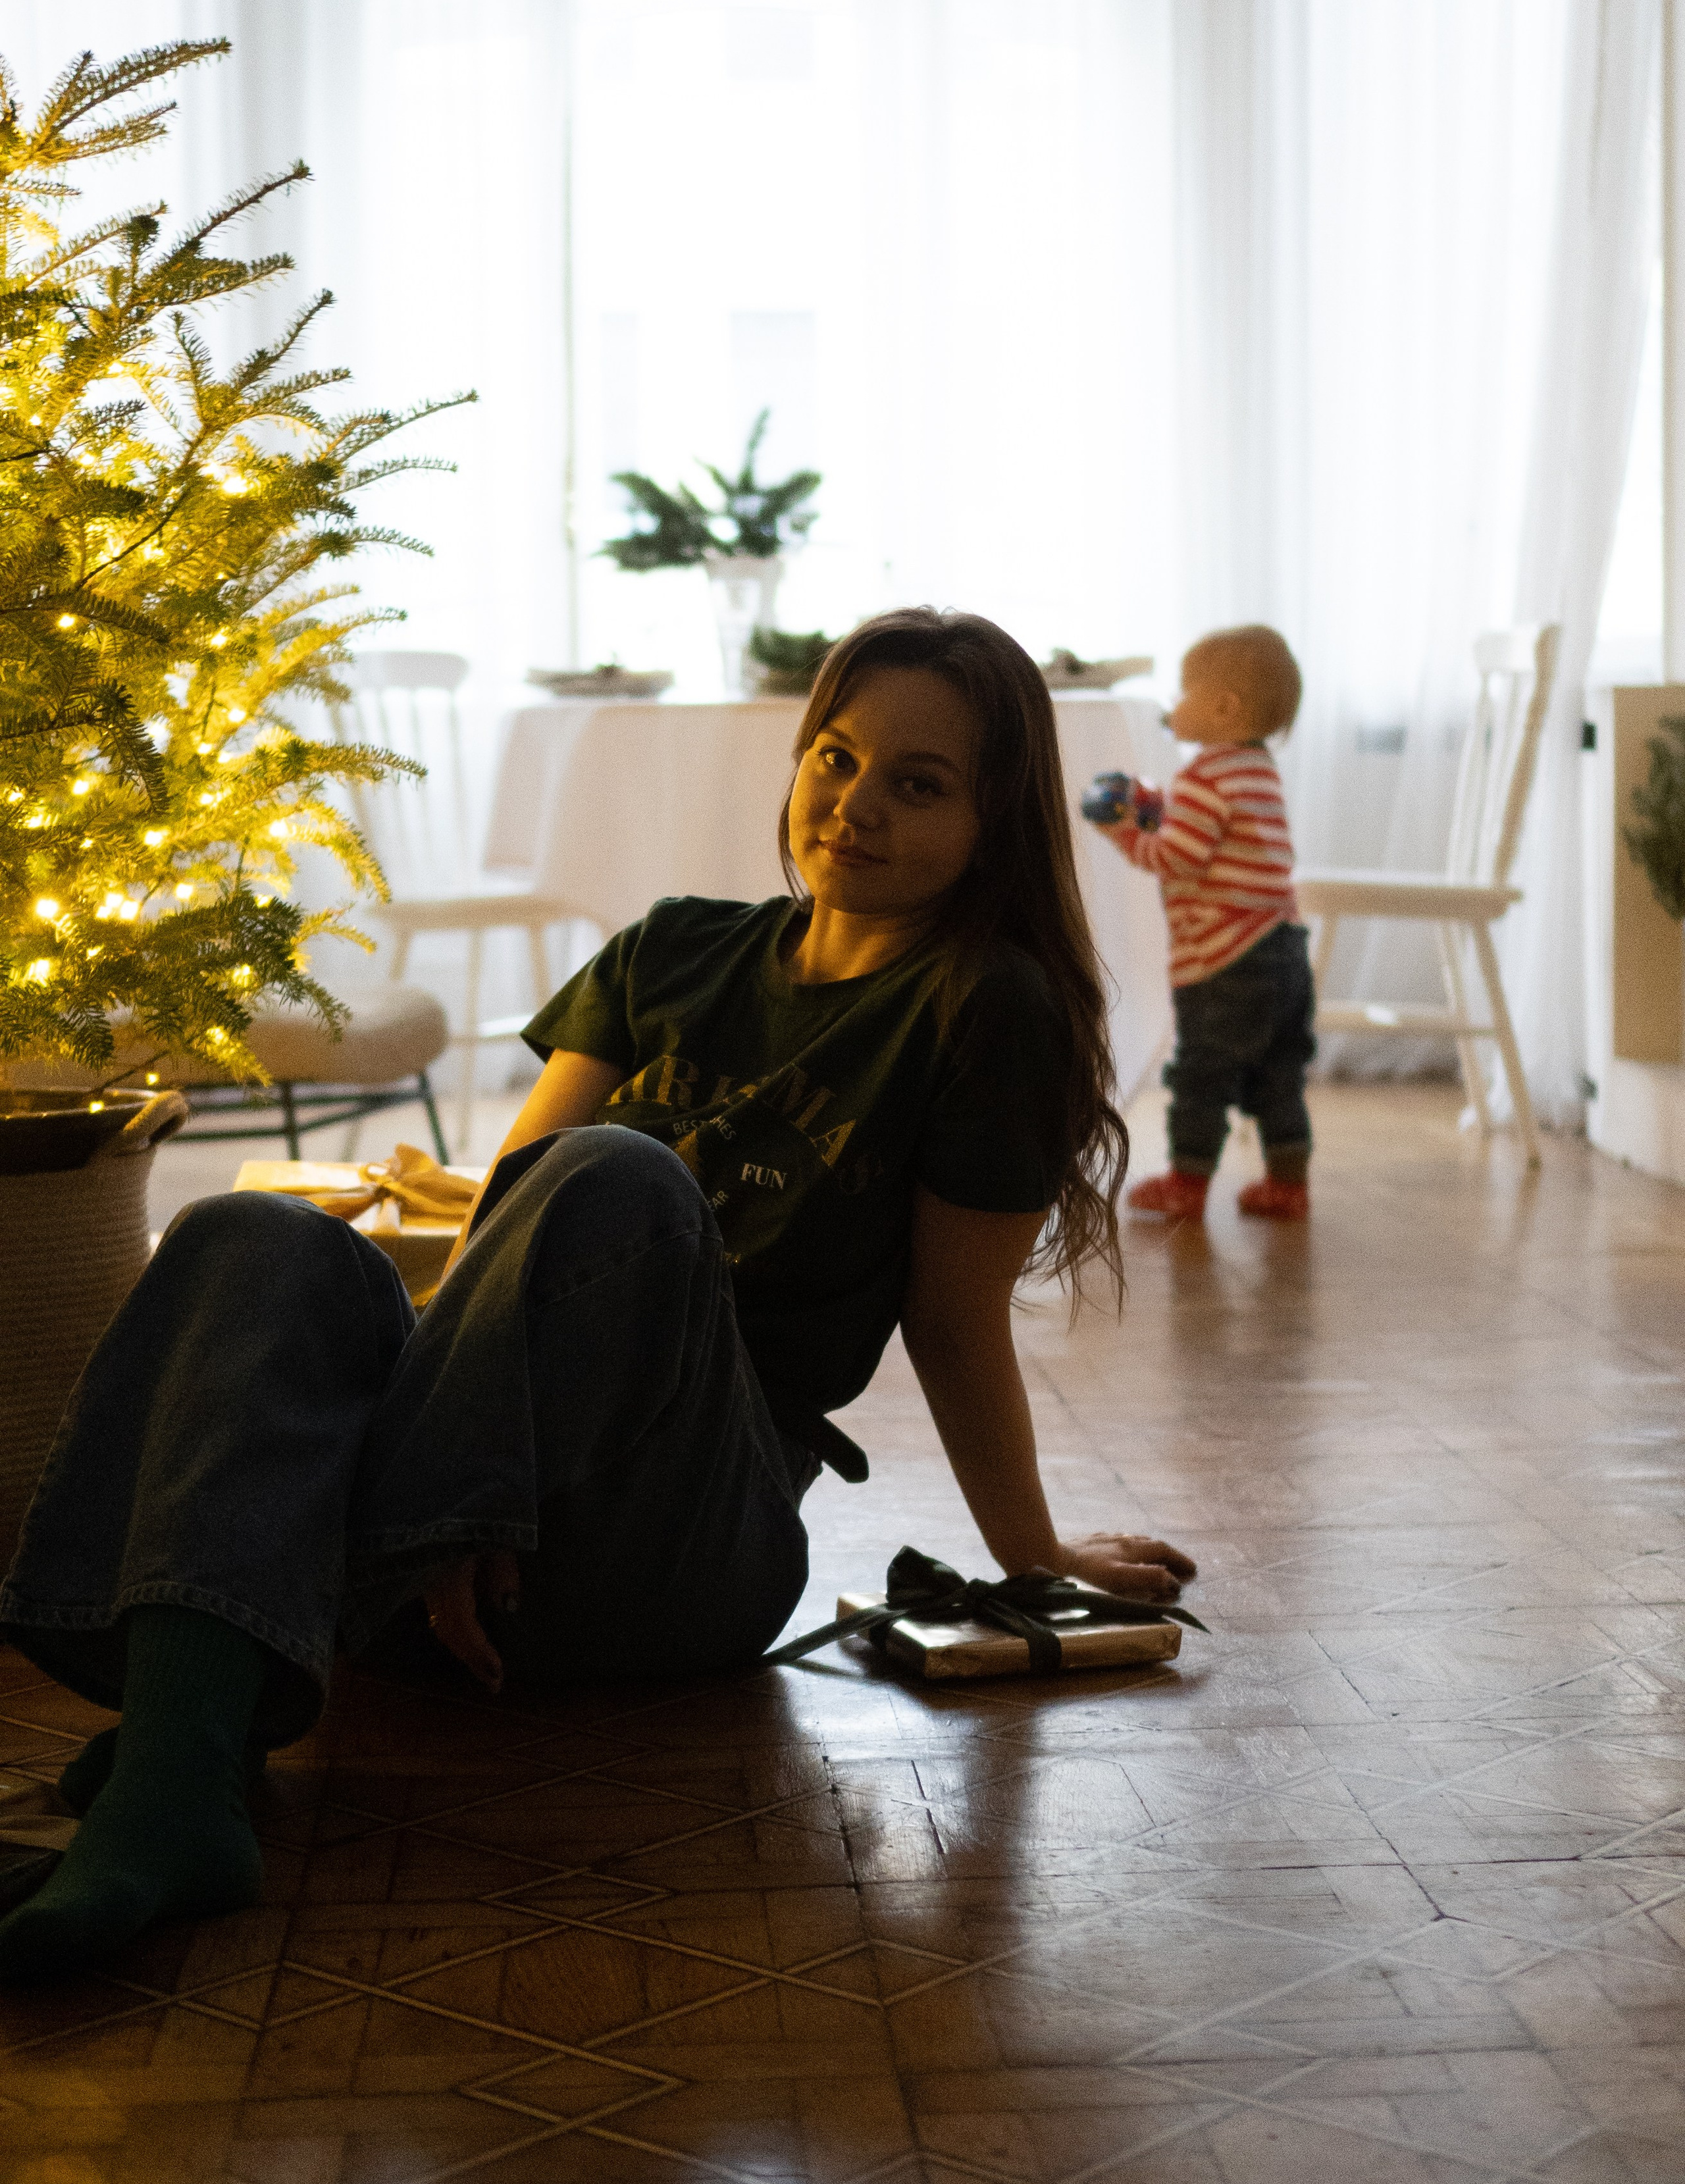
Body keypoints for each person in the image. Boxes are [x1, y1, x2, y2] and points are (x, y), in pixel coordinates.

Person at [0, 606, 1196, 1986]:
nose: (852, 805)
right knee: (250, 1236)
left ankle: (226, 1680)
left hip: (681, 1528)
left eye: (916, 784)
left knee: (618, 1176)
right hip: (474, 1529)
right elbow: (504, 1222)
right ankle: (181, 1778)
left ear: (992, 823)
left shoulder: (983, 1007)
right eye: (834, 757)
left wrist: (1032, 1557)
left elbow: (950, 1319)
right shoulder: (672, 949)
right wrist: (457, 1439)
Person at [1087, 624, 1312, 1222]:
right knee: (1279, 1072)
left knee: (1201, 1073)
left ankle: (1187, 1184)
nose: (1173, 705)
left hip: (1225, 958)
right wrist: (1155, 806)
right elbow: (1218, 835)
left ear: (1223, 708)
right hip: (1283, 946)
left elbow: (1177, 858)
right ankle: (1289, 1184)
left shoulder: (1204, 778)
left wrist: (1123, 831)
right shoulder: (1255, 770)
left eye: (1184, 692)